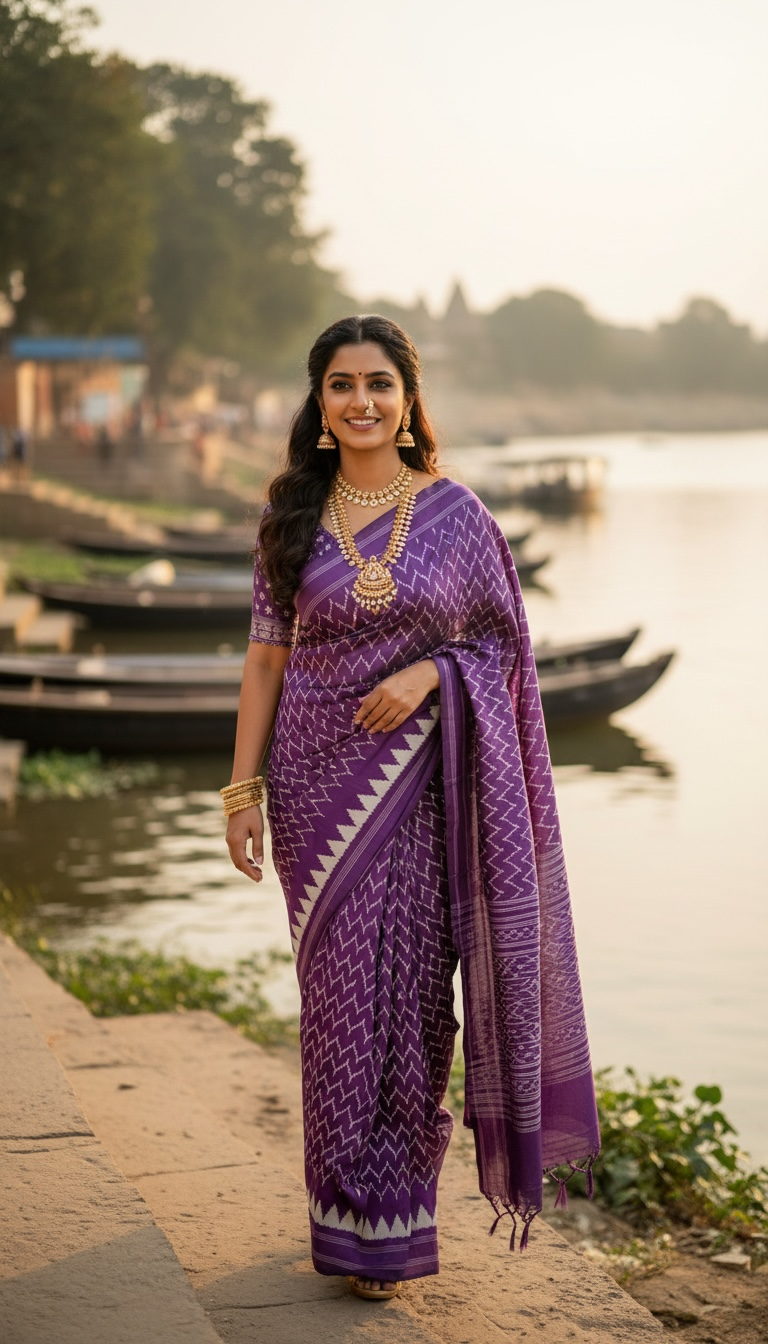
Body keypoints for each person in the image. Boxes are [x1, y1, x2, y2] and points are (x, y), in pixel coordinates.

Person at [224, 315, 600, 1301]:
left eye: (379, 384)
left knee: (418, 1006)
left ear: (407, 399)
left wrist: (433, 674)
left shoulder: (458, 516)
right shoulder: (290, 516)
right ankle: (343, 1215)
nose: (361, 401)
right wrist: (242, 792)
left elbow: (504, 648)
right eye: (342, 384)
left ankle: (392, 1222)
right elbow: (264, 661)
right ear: (320, 403)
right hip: (316, 793)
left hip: (428, 793)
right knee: (339, 1005)